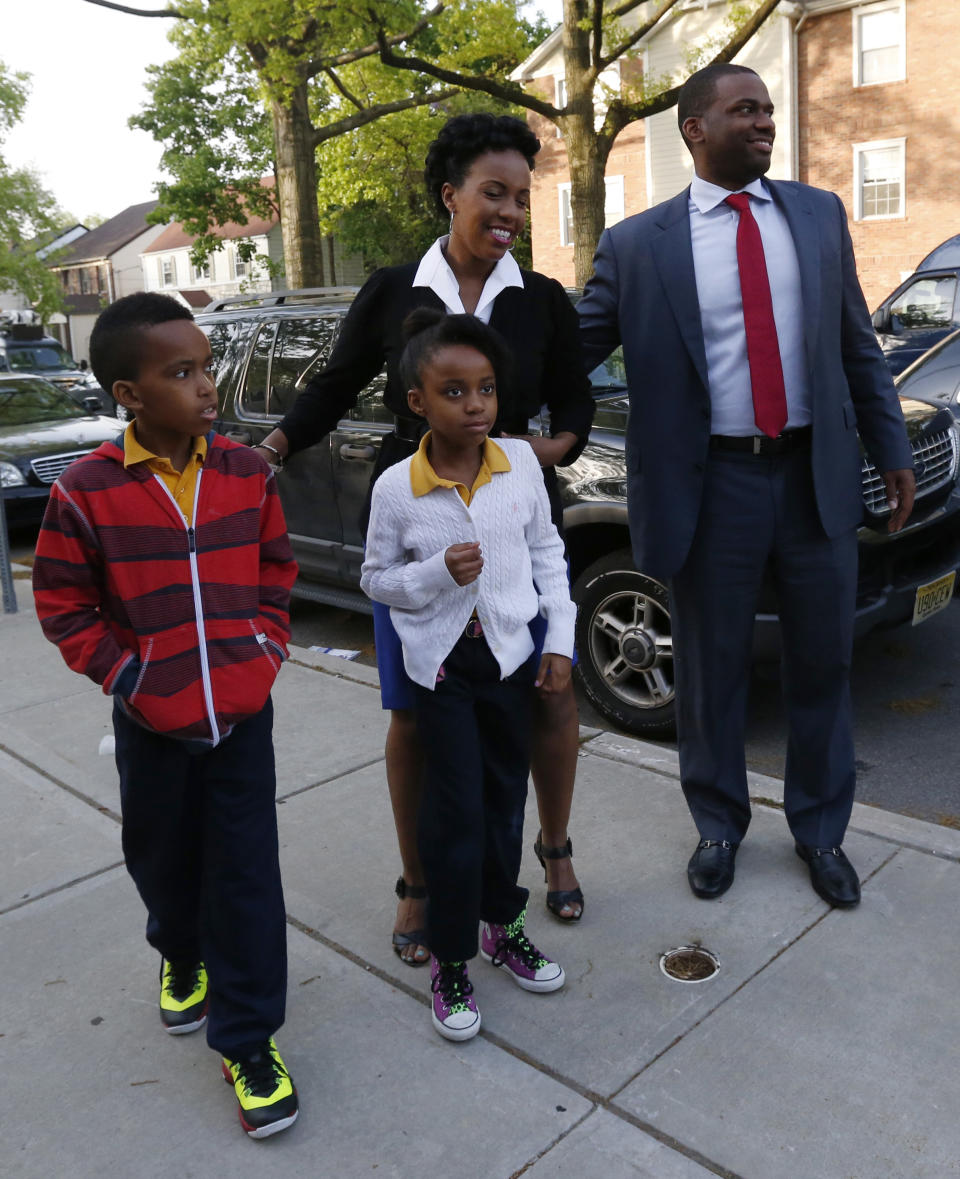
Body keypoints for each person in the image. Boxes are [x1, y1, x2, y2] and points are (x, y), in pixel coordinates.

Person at [253, 113, 595, 960]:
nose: (511, 209)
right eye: (494, 192)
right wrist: (271, 446)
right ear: (451, 195)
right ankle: (419, 883)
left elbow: (578, 406)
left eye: (522, 194)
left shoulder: (542, 300)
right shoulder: (393, 289)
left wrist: (535, 451)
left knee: (550, 693)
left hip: (515, 523)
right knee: (414, 712)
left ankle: (552, 850)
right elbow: (332, 385)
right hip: (416, 526)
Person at [577, 64, 916, 909]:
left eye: (767, 110)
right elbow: (569, 349)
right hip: (711, 484)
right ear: (694, 128)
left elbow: (856, 345)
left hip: (814, 478)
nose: (764, 122)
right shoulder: (638, 244)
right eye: (745, 110)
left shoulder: (816, 215)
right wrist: (489, 373)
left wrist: (891, 447)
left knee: (822, 664)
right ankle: (719, 825)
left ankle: (820, 832)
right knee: (711, 667)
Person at [31, 293, 300, 1139]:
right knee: (162, 857)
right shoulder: (86, 492)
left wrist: (263, 649)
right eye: (179, 372)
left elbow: (276, 574)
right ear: (129, 394)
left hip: (239, 720)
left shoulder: (247, 474)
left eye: (204, 366)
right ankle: (180, 954)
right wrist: (129, 676)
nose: (205, 385)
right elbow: (64, 606)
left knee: (248, 876)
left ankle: (249, 1037)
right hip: (151, 722)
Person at [360, 309, 575, 1040]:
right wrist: (432, 573)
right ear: (417, 401)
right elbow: (376, 579)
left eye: (484, 388)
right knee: (453, 814)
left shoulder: (518, 467)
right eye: (453, 391)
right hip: (442, 667)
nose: (475, 404)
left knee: (503, 803)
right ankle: (450, 958)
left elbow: (548, 553)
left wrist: (560, 641)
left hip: (509, 659)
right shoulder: (398, 487)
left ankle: (500, 925)